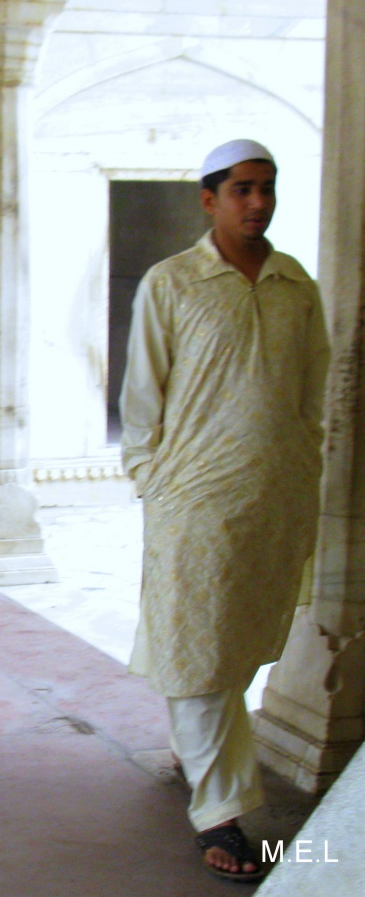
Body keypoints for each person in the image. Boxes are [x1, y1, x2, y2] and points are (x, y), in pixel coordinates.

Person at [120, 139, 329, 882]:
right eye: (241, 189)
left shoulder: (294, 284)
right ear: (209, 199)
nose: (257, 202)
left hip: (275, 499)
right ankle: (224, 813)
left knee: (236, 644)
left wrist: (303, 465)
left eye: (266, 188)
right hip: (194, 502)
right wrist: (154, 479)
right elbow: (142, 396)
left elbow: (314, 394)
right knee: (199, 645)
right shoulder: (173, 282)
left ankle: (198, 747)